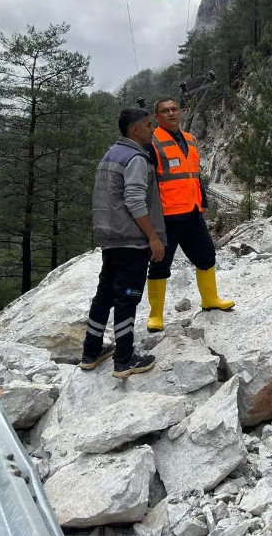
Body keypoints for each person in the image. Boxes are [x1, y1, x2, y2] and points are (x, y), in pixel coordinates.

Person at [79, 107, 167, 378]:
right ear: (135, 130)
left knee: (104, 295)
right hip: (131, 240)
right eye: (149, 125)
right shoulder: (136, 158)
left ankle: (91, 352)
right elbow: (135, 200)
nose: (153, 129)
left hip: (110, 237)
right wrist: (153, 237)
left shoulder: (110, 154)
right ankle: (125, 359)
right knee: (127, 298)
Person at [145, 96, 234, 332]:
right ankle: (156, 316)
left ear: (180, 112)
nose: (171, 113)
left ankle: (210, 299)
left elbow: (194, 175)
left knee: (206, 256)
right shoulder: (151, 142)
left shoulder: (191, 140)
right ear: (157, 116)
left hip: (192, 212)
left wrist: (203, 200)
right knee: (160, 264)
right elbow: (146, 181)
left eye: (174, 109)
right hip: (166, 216)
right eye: (165, 111)